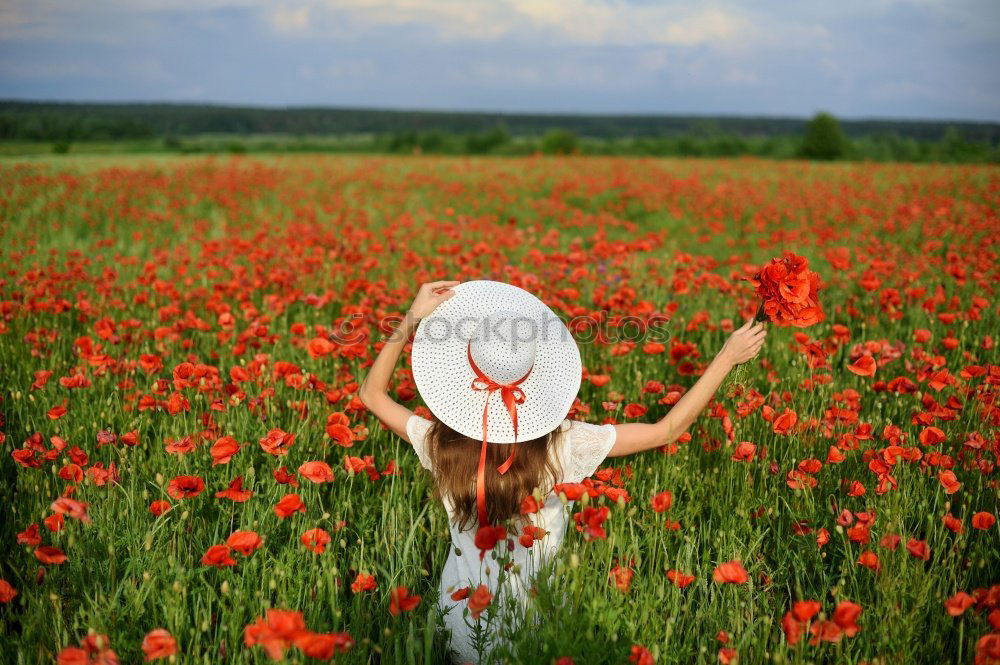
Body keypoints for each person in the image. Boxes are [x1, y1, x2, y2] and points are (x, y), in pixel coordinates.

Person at [359, 280, 767, 664]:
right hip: (536, 625)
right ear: (532, 374)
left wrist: (412, 318)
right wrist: (727, 357)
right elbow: (667, 430)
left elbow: (371, 395)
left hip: (461, 623)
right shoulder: (562, 446)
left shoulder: (439, 445)